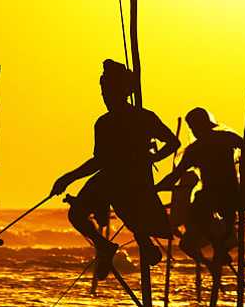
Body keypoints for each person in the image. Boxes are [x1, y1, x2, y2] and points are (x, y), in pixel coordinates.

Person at [51, 59, 180, 280]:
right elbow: (99, 160)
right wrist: (68, 178)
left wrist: (152, 158)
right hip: (110, 179)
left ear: (123, 92)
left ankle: (143, 245)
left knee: (133, 214)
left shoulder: (143, 117)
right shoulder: (104, 123)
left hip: (133, 181)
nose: (105, 97)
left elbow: (173, 143)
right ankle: (104, 246)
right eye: (103, 92)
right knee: (77, 214)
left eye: (109, 91)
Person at [156, 107, 245, 274]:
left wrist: (156, 188)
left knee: (195, 220)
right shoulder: (226, 138)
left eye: (194, 127)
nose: (194, 131)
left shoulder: (196, 149)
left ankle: (220, 245)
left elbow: (174, 176)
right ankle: (220, 247)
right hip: (230, 195)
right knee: (194, 235)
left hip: (216, 196)